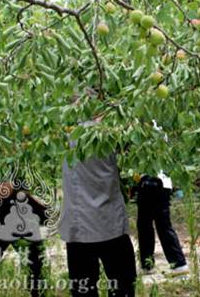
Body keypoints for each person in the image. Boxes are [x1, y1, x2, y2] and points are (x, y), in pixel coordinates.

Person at [59, 119, 136, 297]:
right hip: (110, 223)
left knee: (84, 287)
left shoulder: (66, 130)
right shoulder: (110, 128)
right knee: (122, 285)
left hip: (79, 228)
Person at [134, 172, 188, 275]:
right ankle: (178, 263)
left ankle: (148, 265)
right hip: (164, 183)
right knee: (161, 225)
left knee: (145, 225)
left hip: (150, 182)